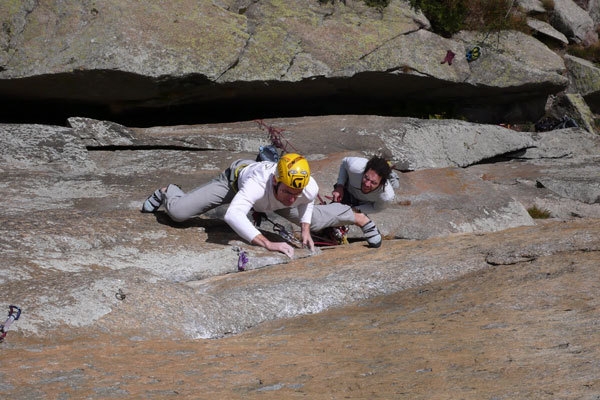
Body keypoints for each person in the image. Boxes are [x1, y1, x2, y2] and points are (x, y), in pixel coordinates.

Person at [141, 153, 319, 258]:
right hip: (233, 183)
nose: (292, 200)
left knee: (319, 220)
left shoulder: (306, 187)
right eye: (288, 192)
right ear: (275, 180)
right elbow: (233, 215)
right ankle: (168, 191)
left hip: (266, 199)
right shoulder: (256, 183)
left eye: (297, 194)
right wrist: (268, 244)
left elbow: (308, 200)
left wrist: (305, 229)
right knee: (178, 212)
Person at [310, 156, 397, 248]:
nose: (367, 184)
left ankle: (392, 176)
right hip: (348, 190)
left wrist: (355, 210)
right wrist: (340, 186)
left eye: (373, 183)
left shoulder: (386, 195)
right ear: (364, 171)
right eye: (366, 178)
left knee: (342, 216)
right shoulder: (355, 166)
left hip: (364, 202)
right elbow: (344, 162)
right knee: (335, 213)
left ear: (382, 183)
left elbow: (376, 208)